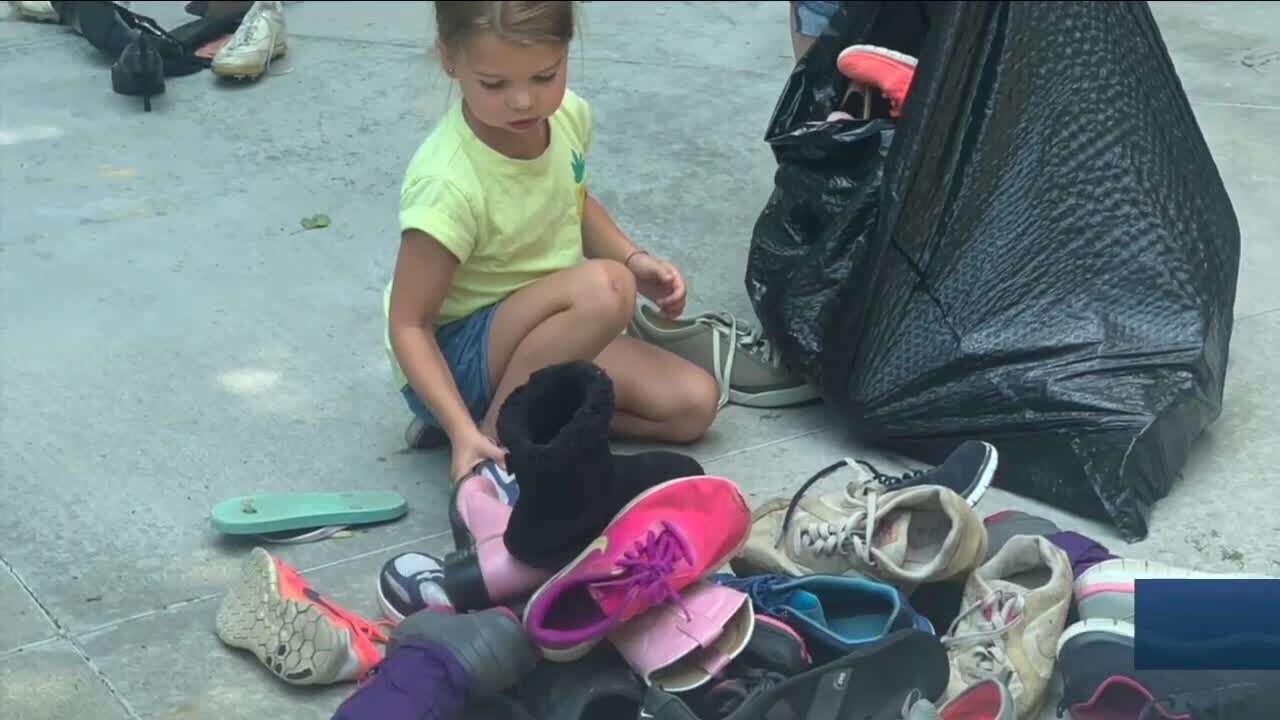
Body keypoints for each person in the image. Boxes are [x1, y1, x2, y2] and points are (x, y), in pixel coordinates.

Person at [385, 0, 721, 483]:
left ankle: (528, 423)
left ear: (566, 51)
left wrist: (634, 257)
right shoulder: (447, 182)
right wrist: (460, 427)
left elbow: (572, 199)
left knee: (691, 406)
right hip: (458, 357)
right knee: (607, 289)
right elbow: (409, 324)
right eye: (494, 84)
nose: (523, 101)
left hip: (553, 330)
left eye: (544, 76)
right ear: (449, 59)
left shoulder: (567, 117)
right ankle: (493, 450)